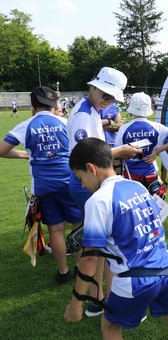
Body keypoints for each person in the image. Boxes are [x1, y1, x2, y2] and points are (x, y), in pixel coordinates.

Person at [64, 138, 168, 340]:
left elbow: (89, 260)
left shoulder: (98, 200)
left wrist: (76, 303)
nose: (83, 186)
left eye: (80, 178)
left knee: (110, 326)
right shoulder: (137, 187)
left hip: (136, 280)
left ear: (91, 168)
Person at [67, 66, 142, 317]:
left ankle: (98, 300)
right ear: (95, 87)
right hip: (87, 184)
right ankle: (107, 300)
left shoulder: (88, 111)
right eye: (106, 96)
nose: (108, 102)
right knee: (106, 248)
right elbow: (89, 158)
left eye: (112, 98)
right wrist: (123, 151)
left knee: (100, 249)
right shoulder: (84, 115)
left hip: (89, 182)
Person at [0, 86, 83, 284]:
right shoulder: (65, 122)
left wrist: (25, 154)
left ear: (33, 105)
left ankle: (63, 272)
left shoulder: (27, 124)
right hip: (69, 182)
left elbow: (2, 150)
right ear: (55, 104)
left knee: (55, 229)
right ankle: (80, 269)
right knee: (78, 225)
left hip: (43, 187)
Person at [115, 92, 168, 196]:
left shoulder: (124, 129)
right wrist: (156, 152)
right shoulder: (156, 127)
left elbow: (117, 154)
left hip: (130, 177)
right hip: (150, 177)